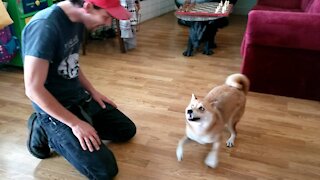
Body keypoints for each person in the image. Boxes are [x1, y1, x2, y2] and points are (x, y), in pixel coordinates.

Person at [22, 0, 136, 179]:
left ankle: (79, 122)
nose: (107, 23)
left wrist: (92, 91)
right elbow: (33, 89)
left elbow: (70, 60)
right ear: (88, 6)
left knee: (126, 130)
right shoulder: (45, 27)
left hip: (78, 98)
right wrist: (75, 124)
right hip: (54, 108)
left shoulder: (77, 20)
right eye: (106, 17)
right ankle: (42, 125)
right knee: (104, 172)